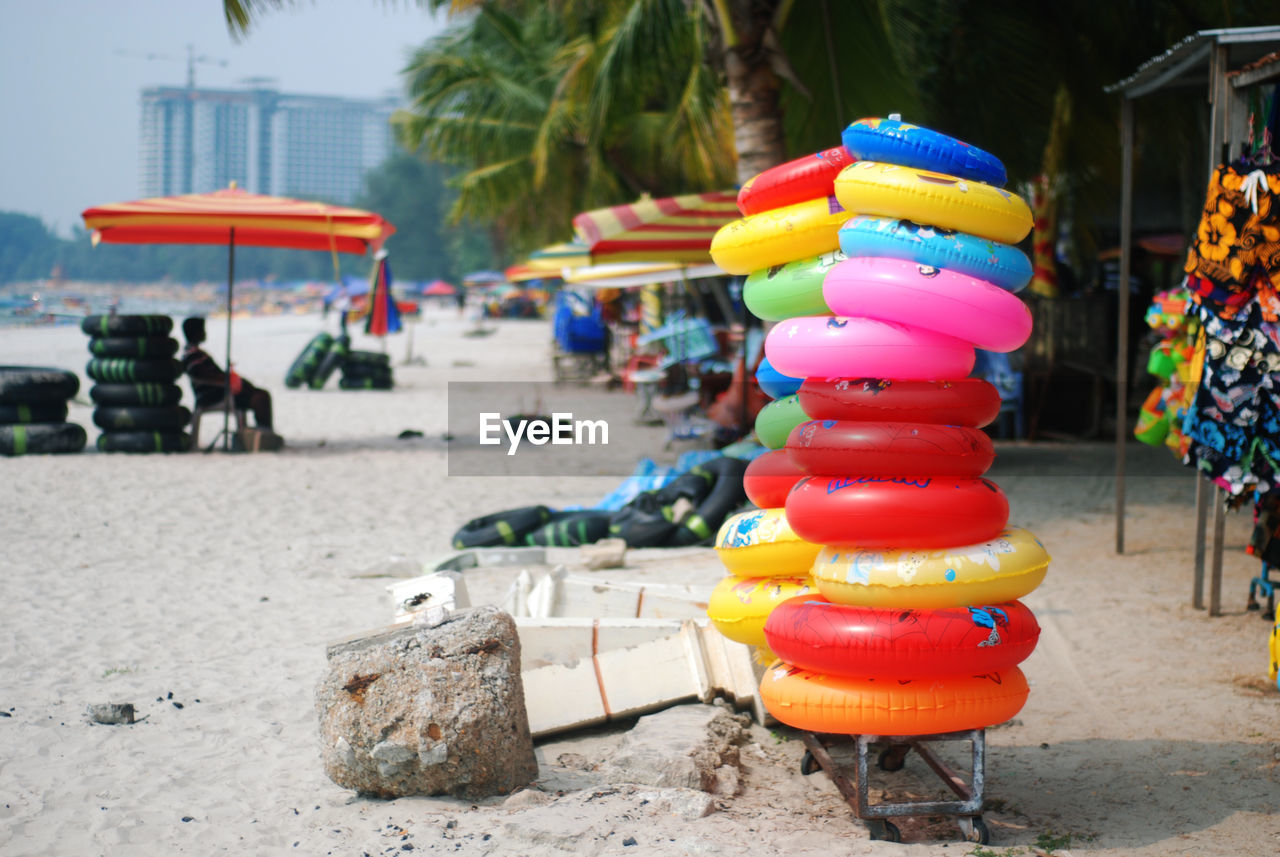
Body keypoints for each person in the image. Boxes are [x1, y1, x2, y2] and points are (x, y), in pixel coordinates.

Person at [181, 317, 274, 431]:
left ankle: (261, 433)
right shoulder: (192, 355)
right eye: (202, 329)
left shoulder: (195, 353)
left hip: (218, 391)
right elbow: (202, 374)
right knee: (260, 397)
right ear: (195, 332)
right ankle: (264, 433)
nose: (205, 333)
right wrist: (227, 380)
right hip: (214, 395)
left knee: (259, 393)